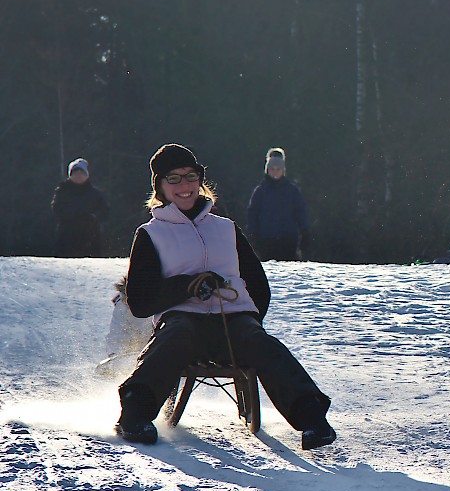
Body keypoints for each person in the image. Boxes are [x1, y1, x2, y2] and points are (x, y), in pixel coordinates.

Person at [114, 143, 336, 449]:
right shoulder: (151, 234)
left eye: (190, 177)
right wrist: (186, 287)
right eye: (174, 179)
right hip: (183, 321)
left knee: (260, 342)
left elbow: (258, 284)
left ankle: (312, 420)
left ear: (200, 181)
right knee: (176, 335)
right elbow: (139, 301)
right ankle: (134, 414)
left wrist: (249, 317)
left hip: (233, 319)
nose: (184, 186)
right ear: (160, 187)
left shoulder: (226, 229)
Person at [247, 148, 310, 261]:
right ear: (267, 170)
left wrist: (305, 231)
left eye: (278, 169)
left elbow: (301, 211)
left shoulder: (292, 190)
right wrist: (253, 235)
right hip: (266, 240)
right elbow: (253, 214)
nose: (275, 172)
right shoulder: (260, 191)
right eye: (272, 169)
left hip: (288, 240)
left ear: (283, 170)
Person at [50, 158, 109, 257]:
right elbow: (56, 208)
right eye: (75, 173)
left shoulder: (96, 194)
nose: (78, 176)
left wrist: (92, 217)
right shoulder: (62, 191)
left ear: (87, 175)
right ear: (70, 175)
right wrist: (72, 216)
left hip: (90, 239)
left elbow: (105, 211)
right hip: (66, 238)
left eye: (82, 173)